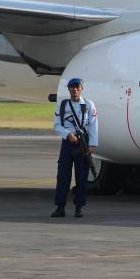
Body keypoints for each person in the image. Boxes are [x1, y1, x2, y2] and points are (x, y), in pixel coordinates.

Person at [51, 78, 98, 218]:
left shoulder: (89, 105)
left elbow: (93, 125)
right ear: (68, 89)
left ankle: (79, 207)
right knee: (63, 176)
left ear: (81, 88)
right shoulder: (62, 104)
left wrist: (92, 144)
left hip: (82, 143)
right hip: (68, 143)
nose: (75, 90)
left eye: (77, 87)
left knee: (82, 176)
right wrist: (68, 134)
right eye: (72, 88)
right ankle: (60, 207)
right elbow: (57, 125)